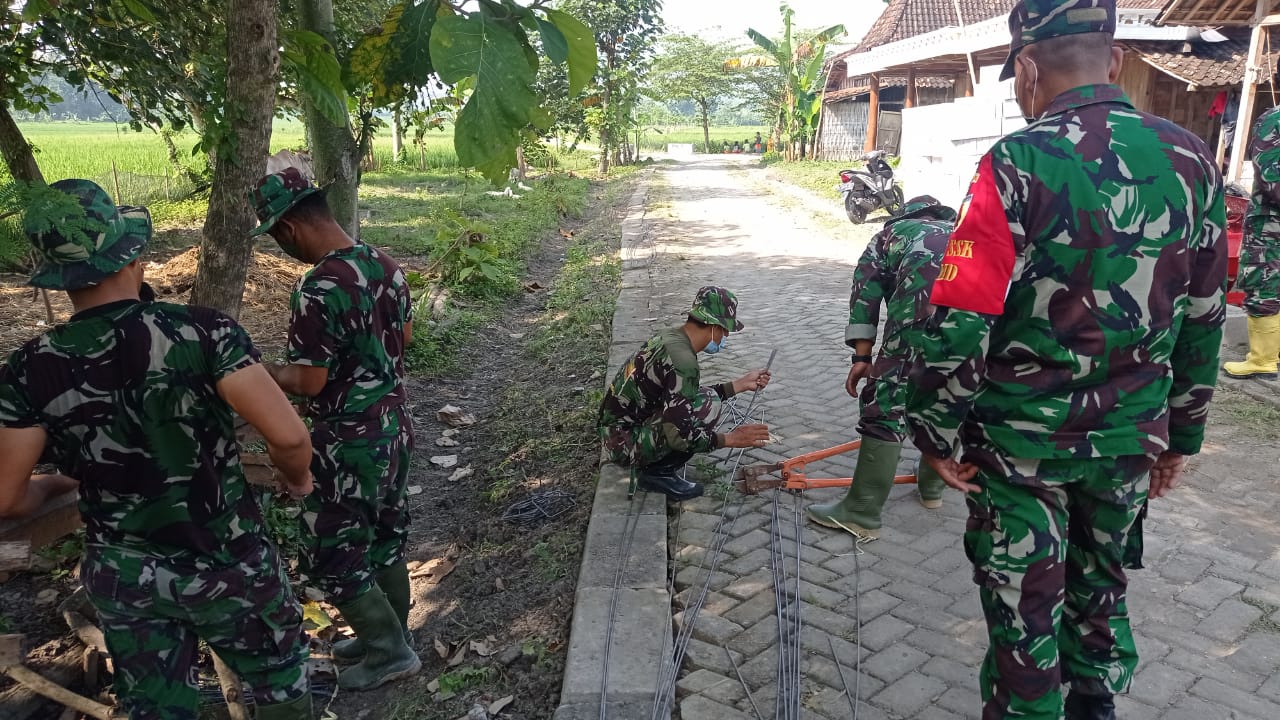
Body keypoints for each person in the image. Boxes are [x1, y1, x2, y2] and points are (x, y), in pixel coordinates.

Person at [904, 2, 1227, 719]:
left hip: (1021, 445)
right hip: (1127, 441)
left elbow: (960, 320)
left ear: (1025, 69)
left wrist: (934, 433)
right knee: (1100, 592)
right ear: (1113, 60)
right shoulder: (1191, 158)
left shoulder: (1013, 163)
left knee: (1026, 615)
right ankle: (1095, 707)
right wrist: (1183, 436)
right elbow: (1206, 314)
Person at [0, 180, 316, 720]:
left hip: (127, 577)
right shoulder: (204, 332)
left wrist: (56, 484)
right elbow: (288, 436)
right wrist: (299, 480)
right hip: (226, 561)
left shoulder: (30, 367)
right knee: (277, 684)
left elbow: (7, 497)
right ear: (131, 258)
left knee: (157, 707)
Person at [247, 168, 419, 691]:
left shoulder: (318, 286)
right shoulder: (385, 265)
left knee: (332, 549)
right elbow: (404, 338)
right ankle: (390, 633)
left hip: (348, 438)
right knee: (385, 534)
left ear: (290, 228)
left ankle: (389, 652)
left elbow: (310, 381)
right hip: (394, 424)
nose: (281, 249)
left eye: (277, 237)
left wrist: (261, 373)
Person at [806, 196, 955, 538]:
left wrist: (862, 358)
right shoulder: (966, 231)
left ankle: (861, 511)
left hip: (918, 321)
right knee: (952, 396)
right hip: (981, 325)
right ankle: (932, 490)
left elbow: (866, 294)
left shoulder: (892, 234)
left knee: (886, 401)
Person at [598, 286, 771, 501]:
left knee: (708, 399)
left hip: (617, 431)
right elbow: (680, 435)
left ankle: (657, 467)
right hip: (623, 444)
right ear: (712, 326)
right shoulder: (683, 362)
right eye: (724, 329)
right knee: (706, 409)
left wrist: (739, 385)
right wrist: (730, 439)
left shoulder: (672, 337)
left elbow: (681, 396)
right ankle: (657, 474)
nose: (725, 335)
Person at [1224, 103, 1280, 378]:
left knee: (1265, 285)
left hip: (1272, 223)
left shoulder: (1274, 119)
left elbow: (1272, 180)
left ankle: (1263, 360)